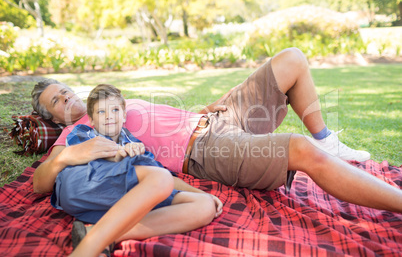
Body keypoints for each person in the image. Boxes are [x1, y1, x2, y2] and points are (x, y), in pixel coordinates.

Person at [31, 48, 402, 214]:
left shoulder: (103, 101)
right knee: (300, 149)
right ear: (56, 120)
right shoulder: (75, 135)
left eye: (64, 90)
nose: (67, 98)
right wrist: (64, 155)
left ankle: (330, 143)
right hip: (207, 150)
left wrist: (199, 111)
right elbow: (39, 184)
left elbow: (157, 123)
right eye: (57, 102)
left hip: (215, 119)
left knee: (291, 59)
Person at [52, 84, 222, 257]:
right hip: (84, 185)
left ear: (124, 114)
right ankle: (86, 249)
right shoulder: (83, 133)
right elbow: (87, 155)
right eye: (101, 112)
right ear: (92, 119)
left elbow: (164, 178)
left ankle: (100, 233)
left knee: (204, 207)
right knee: (158, 178)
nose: (109, 116)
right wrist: (118, 154)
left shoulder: (134, 144)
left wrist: (203, 194)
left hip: (122, 197)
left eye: (115, 110)